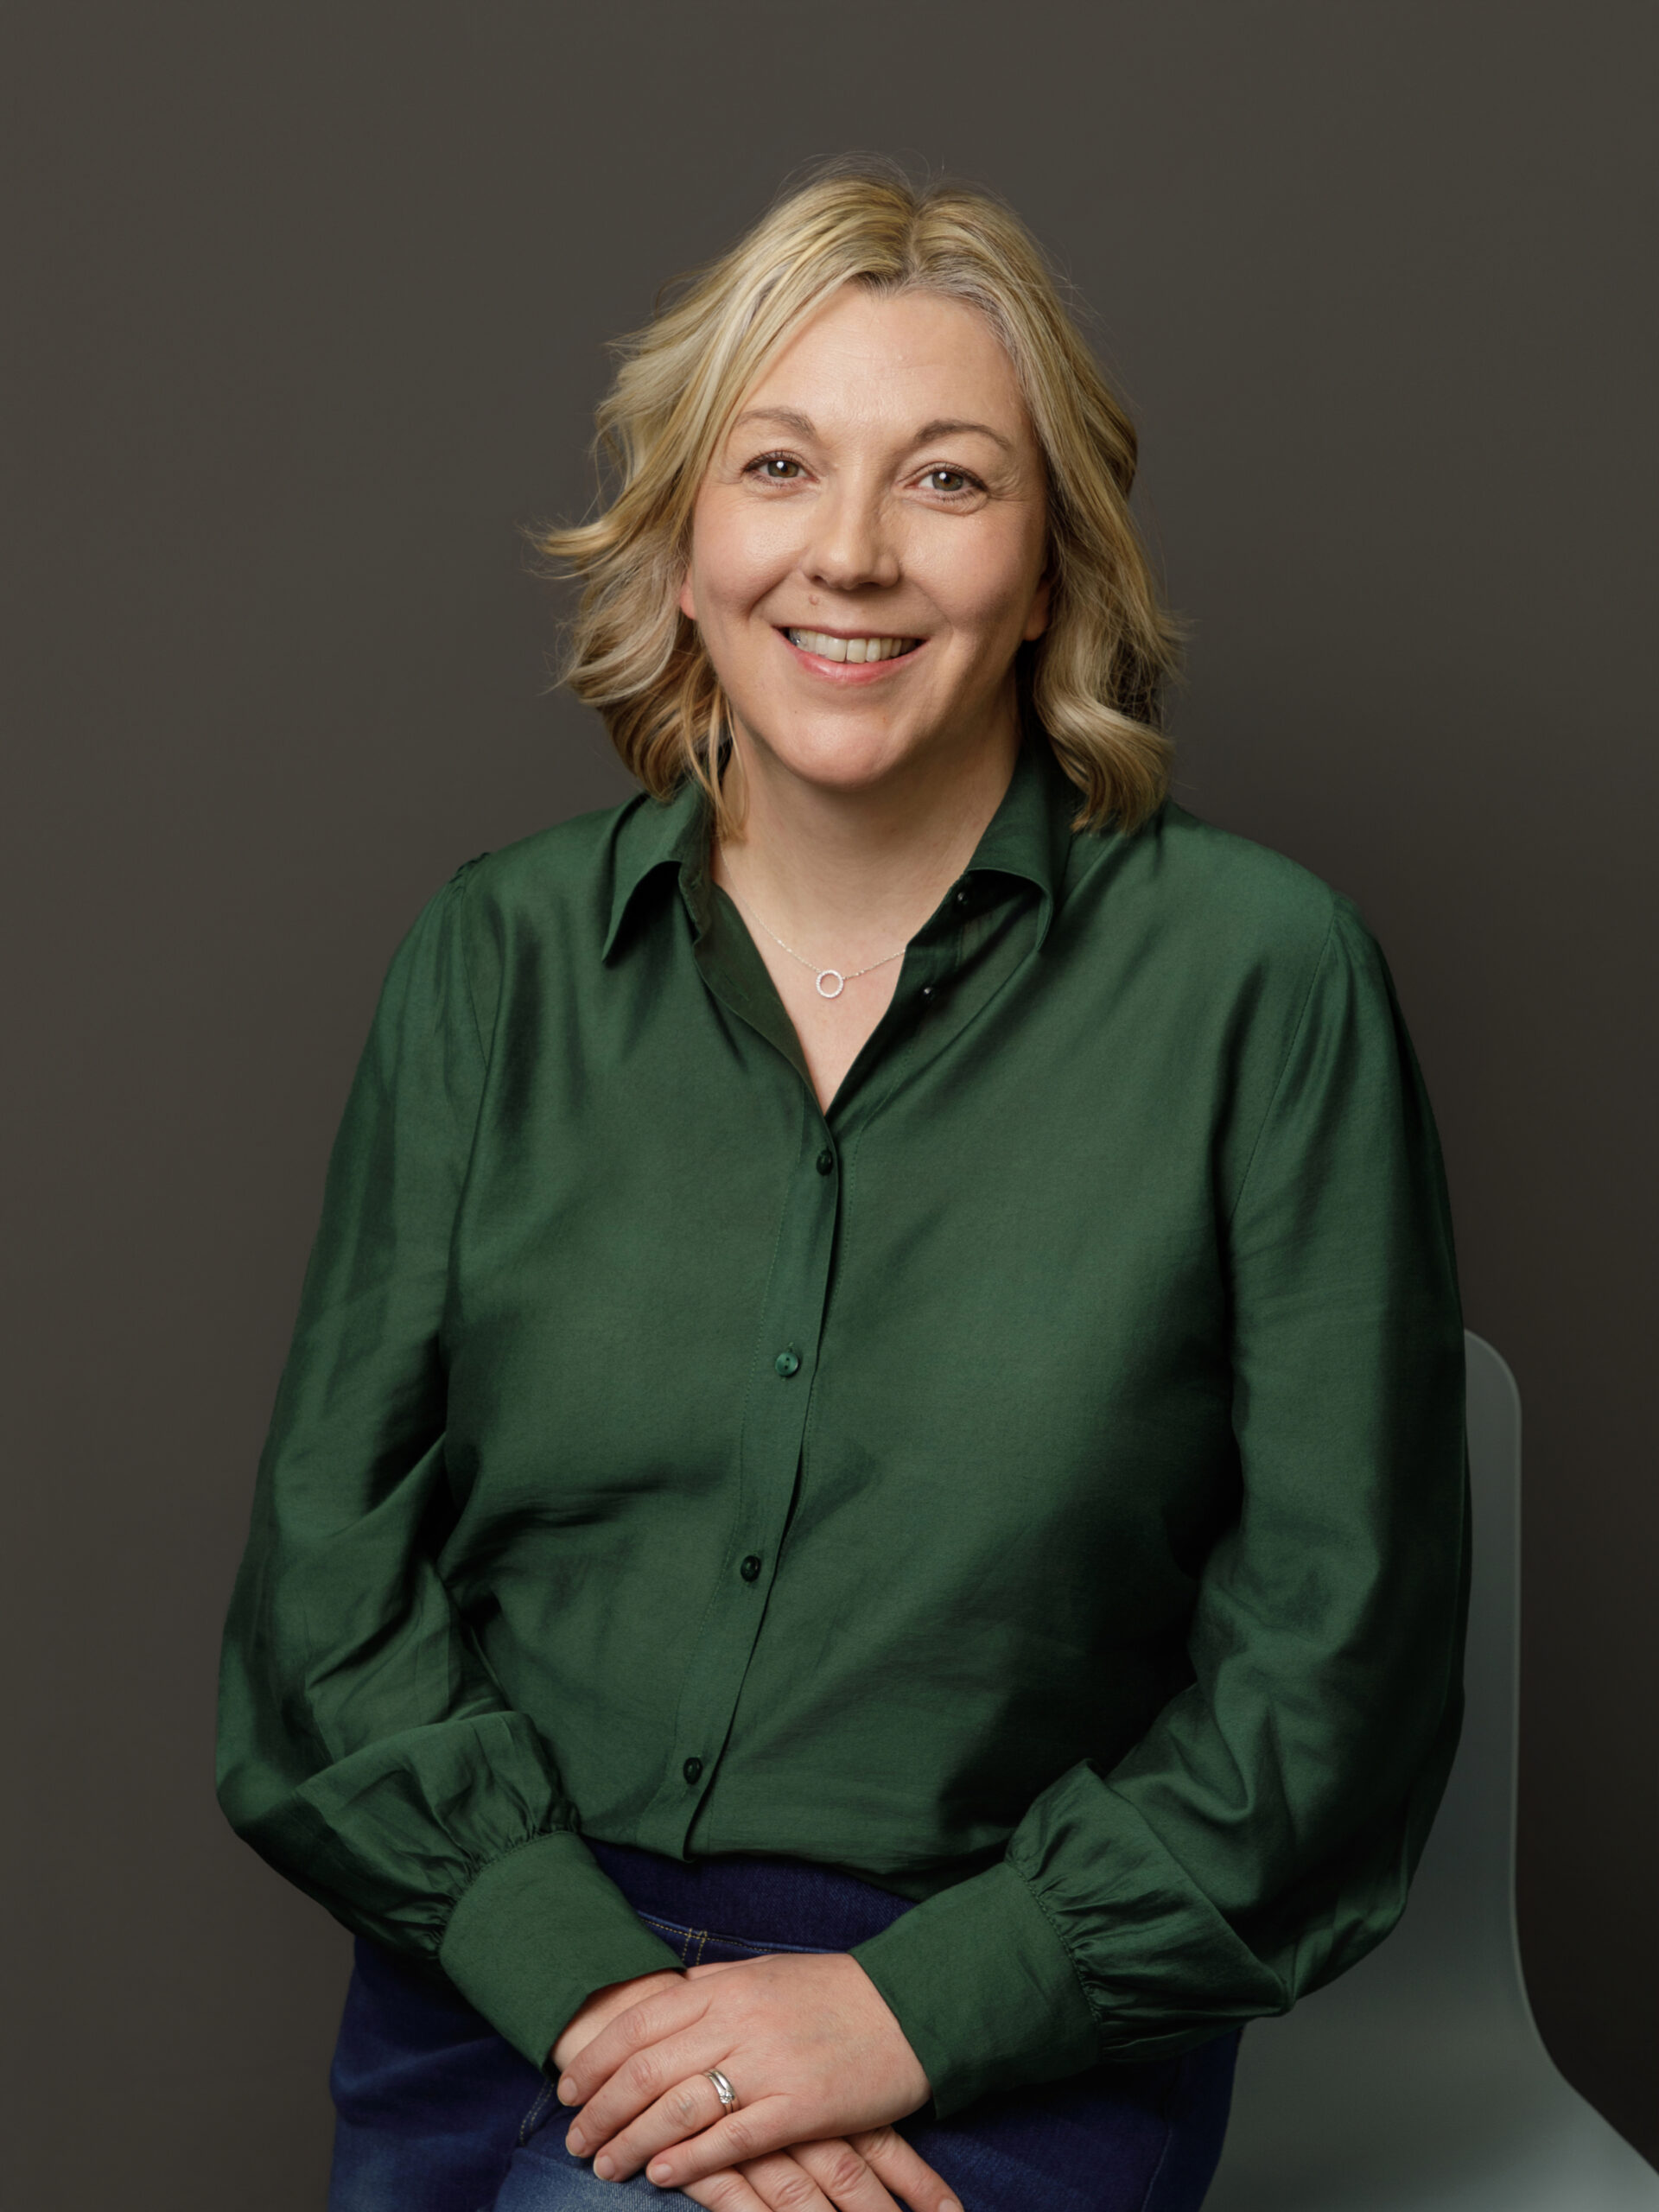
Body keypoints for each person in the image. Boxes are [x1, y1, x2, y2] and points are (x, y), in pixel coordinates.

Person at [216, 161, 1470, 2212]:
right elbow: (324, 1602)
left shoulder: (1265, 982)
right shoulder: (494, 960)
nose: (855, 553)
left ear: (1050, 567)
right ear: (685, 541)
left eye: (950, 480)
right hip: (504, 1965)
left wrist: (911, 2007)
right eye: (780, 464)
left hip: (1003, 1999)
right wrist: (600, 1990)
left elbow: (1339, 1673)